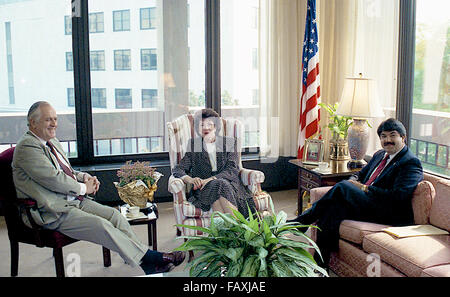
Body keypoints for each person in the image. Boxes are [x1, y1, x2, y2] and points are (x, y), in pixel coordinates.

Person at [12, 101, 185, 275]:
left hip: (73, 201)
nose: (54, 123)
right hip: (52, 210)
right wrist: (83, 188)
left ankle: (145, 261)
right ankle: (151, 258)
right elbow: (54, 179)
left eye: (55, 119)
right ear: (33, 122)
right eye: (48, 120)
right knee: (101, 225)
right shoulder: (27, 147)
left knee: (115, 216)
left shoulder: (52, 141)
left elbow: (68, 171)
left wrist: (83, 177)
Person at [288, 118, 423, 268]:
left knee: (344, 187)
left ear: (402, 137)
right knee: (332, 209)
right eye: (383, 136)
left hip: (388, 212)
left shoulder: (410, 162)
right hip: (368, 203)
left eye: (393, 135)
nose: (388, 140)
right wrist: (355, 182)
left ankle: (302, 221)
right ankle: (320, 265)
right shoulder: (380, 155)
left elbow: (398, 196)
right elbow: (359, 174)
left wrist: (363, 188)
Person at [172, 108, 256, 217]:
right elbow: (178, 169)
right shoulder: (194, 145)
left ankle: (225, 231)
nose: (206, 128)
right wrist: (191, 180)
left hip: (230, 184)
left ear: (216, 127)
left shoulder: (229, 142)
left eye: (210, 124)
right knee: (219, 185)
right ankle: (239, 229)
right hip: (204, 189)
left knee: (219, 186)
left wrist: (209, 180)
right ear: (197, 128)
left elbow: (232, 169)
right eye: (202, 125)